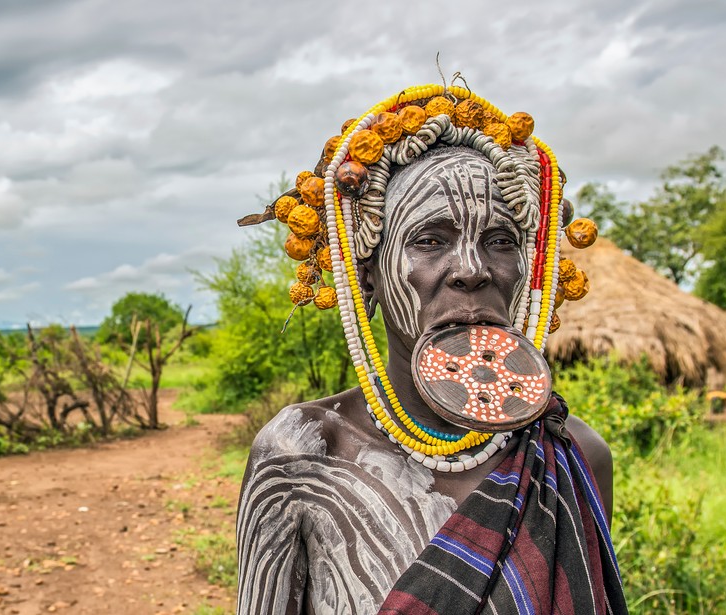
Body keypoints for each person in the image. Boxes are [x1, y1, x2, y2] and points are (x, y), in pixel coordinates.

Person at [235, 83, 627, 614]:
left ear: (529, 273)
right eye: (430, 240)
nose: (472, 268)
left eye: (501, 241)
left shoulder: (575, 457)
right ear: (366, 274)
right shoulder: (301, 454)